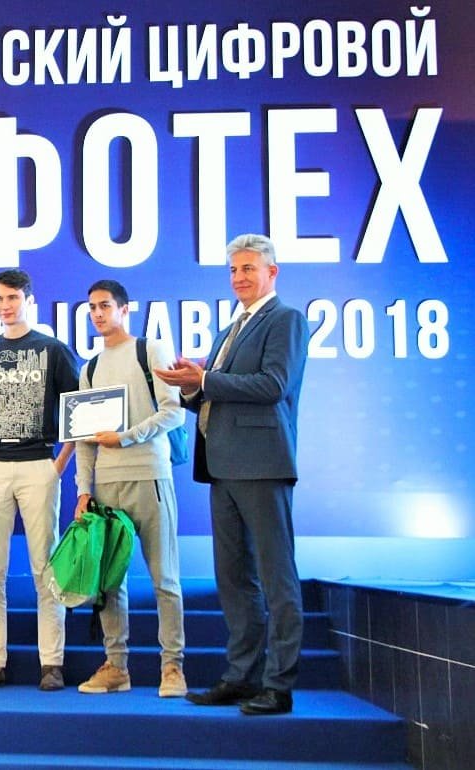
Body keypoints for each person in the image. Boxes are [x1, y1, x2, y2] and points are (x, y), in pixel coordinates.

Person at [155, 233, 309, 716]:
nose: (239, 277)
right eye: (234, 270)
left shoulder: (285, 319)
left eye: (248, 268)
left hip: (262, 465)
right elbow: (217, 393)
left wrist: (205, 379)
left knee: (276, 577)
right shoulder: (229, 331)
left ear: (271, 272)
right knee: (234, 579)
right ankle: (242, 676)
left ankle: (278, 685)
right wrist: (190, 386)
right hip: (221, 466)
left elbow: (273, 385)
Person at [0, 269, 78, 691]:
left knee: (46, 566)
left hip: (38, 464)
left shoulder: (53, 350)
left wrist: (58, 464)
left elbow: (79, 410)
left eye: (12, 298)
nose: (6, 306)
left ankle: (51, 663)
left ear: (29, 300)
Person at [72, 280, 187, 697]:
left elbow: (174, 413)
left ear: (124, 309)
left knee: (165, 580)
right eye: (92, 308)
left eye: (105, 305)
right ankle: (116, 667)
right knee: (108, 584)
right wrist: (83, 490)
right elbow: (84, 439)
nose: (98, 314)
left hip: (150, 477)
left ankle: (172, 668)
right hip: (106, 488)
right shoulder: (89, 368)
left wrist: (125, 437)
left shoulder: (150, 350)